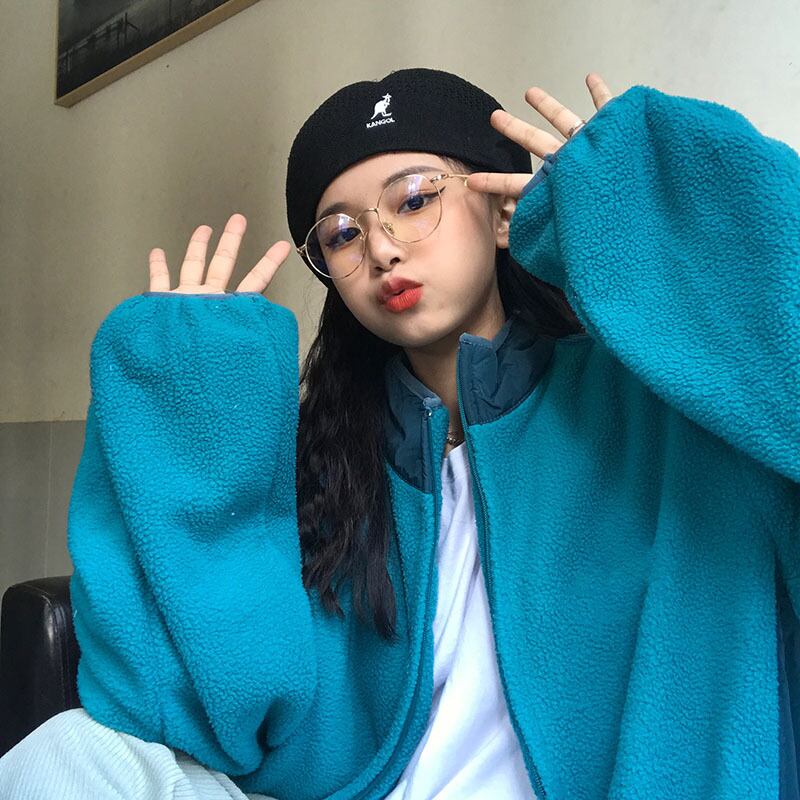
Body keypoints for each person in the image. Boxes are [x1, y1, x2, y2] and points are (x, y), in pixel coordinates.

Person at [0, 66, 797, 799]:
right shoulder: (336, 459)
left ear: (502, 210)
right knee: (65, 753)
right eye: (341, 234)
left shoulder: (655, 408)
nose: (381, 247)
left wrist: (656, 214)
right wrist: (187, 420)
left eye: (414, 200)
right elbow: (203, 711)